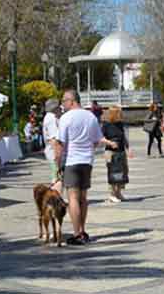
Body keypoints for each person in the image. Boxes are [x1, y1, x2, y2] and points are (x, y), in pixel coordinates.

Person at [55, 90, 105, 246]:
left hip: (72, 161)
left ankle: (77, 234)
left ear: (71, 100)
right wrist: (88, 149)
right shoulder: (91, 117)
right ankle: (82, 231)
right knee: (83, 198)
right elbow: (97, 140)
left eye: (64, 101)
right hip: (87, 161)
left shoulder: (66, 118)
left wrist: (58, 164)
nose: (63, 104)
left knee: (73, 198)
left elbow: (60, 143)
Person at [102, 106, 130, 203]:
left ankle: (118, 192)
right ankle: (112, 194)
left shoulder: (120, 124)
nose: (121, 115)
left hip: (121, 151)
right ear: (113, 114)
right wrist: (110, 143)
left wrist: (128, 149)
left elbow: (123, 137)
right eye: (119, 113)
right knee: (113, 172)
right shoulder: (106, 125)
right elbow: (101, 138)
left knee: (123, 172)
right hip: (110, 152)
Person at [43, 99, 63, 190]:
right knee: (57, 178)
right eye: (59, 107)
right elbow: (54, 139)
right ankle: (56, 200)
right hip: (53, 152)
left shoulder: (49, 117)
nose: (61, 109)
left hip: (52, 151)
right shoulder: (51, 118)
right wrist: (57, 155)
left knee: (56, 176)